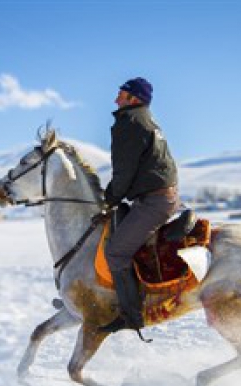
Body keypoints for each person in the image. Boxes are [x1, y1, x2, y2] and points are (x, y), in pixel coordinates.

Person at [100, 77, 180, 336]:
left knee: (115, 252)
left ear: (134, 99)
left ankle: (131, 316)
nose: (116, 99)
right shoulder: (146, 120)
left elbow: (124, 171)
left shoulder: (130, 122)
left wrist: (109, 198)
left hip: (153, 201)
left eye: (121, 95)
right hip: (158, 196)